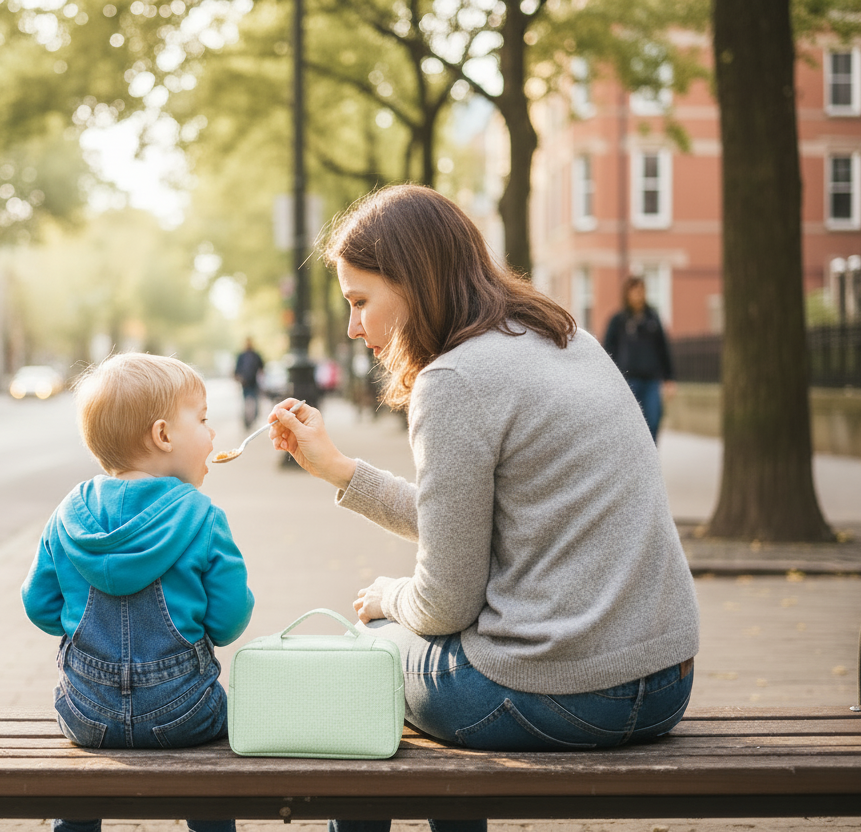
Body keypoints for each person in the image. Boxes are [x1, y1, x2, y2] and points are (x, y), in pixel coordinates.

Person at [266, 185, 699, 832]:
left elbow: (446, 605)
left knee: (365, 657)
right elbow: (476, 521)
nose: (354, 328)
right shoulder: (563, 337)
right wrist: (338, 470)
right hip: (665, 679)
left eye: (361, 302)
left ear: (413, 282)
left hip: (568, 694)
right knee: (414, 659)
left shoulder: (454, 382)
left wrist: (387, 598)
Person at [21, 352, 253, 832]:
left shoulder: (68, 515)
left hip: (88, 712)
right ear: (164, 435)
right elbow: (229, 622)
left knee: (82, 751)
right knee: (224, 728)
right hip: (184, 711)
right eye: (204, 420)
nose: (212, 435)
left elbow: (38, 605)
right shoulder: (204, 517)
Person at [603, 277, 676, 441]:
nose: (637, 295)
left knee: (654, 420)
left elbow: (663, 349)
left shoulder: (653, 319)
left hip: (651, 381)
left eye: (640, 290)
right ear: (627, 294)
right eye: (634, 291)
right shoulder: (618, 321)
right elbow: (608, 350)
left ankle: (650, 461)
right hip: (628, 381)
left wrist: (669, 378)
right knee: (630, 425)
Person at [233, 338, 265, 429]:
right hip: (245, 383)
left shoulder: (255, 355)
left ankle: (253, 418)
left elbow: (261, 368)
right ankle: (246, 420)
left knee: (254, 402)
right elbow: (237, 370)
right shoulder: (241, 356)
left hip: (254, 382)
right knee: (246, 402)